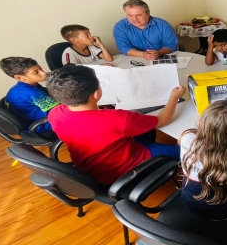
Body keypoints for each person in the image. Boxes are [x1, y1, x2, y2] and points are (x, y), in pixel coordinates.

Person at [46, 65, 186, 184]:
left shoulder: (55, 113)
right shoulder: (117, 119)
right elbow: (164, 119)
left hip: (91, 167)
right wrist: (174, 96)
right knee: (190, 150)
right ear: (96, 94)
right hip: (124, 168)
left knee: (146, 130)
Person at [0, 57, 58, 135]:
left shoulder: (21, 87)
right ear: (19, 77)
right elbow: (59, 109)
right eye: (36, 72)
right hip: (41, 126)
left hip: (29, 122)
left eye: (41, 69)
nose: (43, 73)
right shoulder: (32, 93)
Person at [113, 0, 179, 61]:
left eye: (138, 15)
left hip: (160, 58)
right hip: (134, 60)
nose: (134, 19)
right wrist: (144, 54)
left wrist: (159, 52)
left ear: (148, 13)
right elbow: (124, 48)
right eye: (130, 15)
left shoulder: (163, 25)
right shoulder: (120, 27)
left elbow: (171, 44)